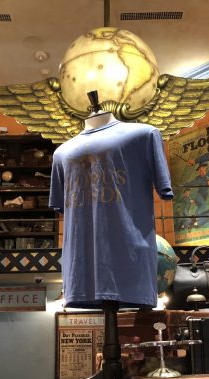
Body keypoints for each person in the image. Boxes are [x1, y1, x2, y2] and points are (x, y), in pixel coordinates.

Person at [49, 101, 173, 309]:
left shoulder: (145, 135)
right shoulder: (60, 154)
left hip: (130, 262)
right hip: (81, 269)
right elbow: (62, 207)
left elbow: (164, 189)